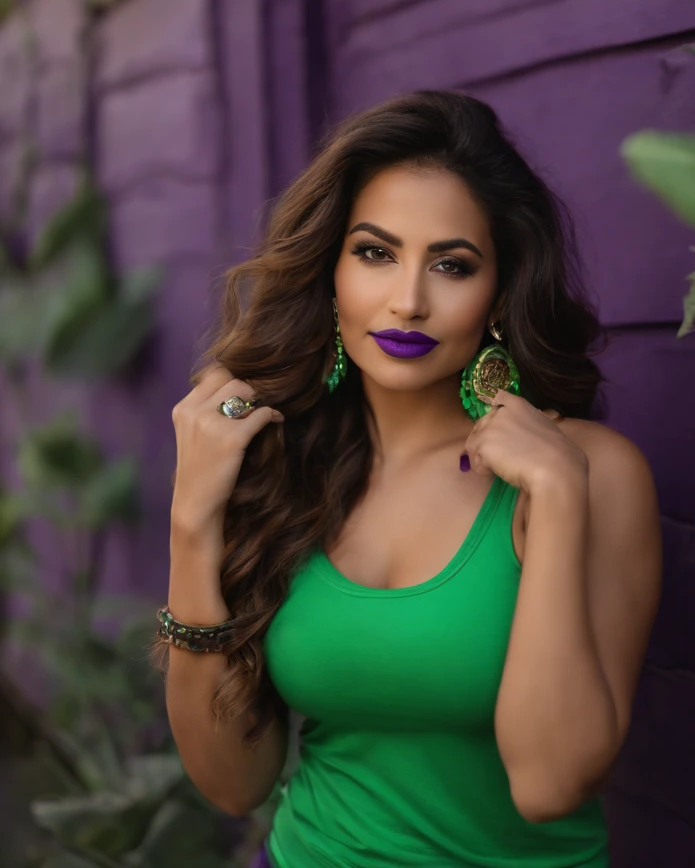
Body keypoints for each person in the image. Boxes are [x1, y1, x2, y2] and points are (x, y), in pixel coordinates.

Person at [155, 89, 663, 868]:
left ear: (498, 292)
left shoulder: (592, 472)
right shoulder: (282, 462)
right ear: (329, 272)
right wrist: (193, 520)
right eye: (375, 252)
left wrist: (558, 505)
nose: (408, 301)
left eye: (452, 265)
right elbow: (232, 784)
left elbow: (551, 785)